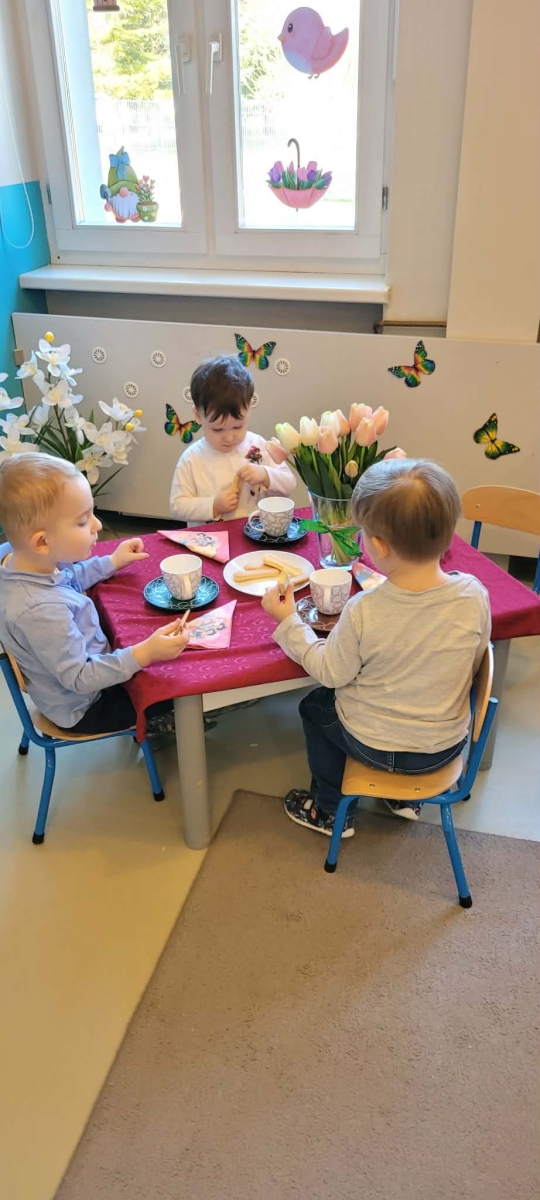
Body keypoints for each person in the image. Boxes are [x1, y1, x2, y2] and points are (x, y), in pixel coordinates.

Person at [262, 459, 491, 837]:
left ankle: (329, 811)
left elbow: (330, 672)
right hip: (444, 749)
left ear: (379, 546)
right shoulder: (474, 594)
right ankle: (405, 799)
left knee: (316, 706)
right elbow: (473, 660)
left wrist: (288, 621)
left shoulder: (364, 609)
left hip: (374, 746)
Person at [0, 454, 188, 735]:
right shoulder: (39, 611)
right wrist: (145, 653)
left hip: (90, 666)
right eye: (82, 521)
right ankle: (164, 728)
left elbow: (69, 578)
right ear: (42, 542)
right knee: (178, 685)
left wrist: (111, 562)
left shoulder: (22, 557)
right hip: (88, 705)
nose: (97, 525)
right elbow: (80, 678)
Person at [169, 355, 296, 523]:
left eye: (237, 427)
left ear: (249, 408)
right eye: (217, 429)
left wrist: (265, 474)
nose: (229, 438)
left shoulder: (259, 446)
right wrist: (214, 505)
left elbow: (289, 484)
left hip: (255, 532)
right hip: (210, 538)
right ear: (197, 415)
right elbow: (177, 505)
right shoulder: (191, 459)